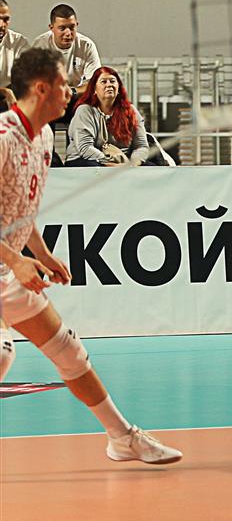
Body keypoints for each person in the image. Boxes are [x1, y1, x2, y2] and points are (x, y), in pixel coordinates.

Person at [0, 47, 181, 464]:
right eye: (64, 84)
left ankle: (123, 438)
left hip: (7, 269)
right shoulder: (4, 138)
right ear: (41, 88)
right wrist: (17, 261)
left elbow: (19, 208)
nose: (71, 91)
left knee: (69, 351)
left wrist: (42, 254)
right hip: (7, 265)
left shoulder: (44, 137)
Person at [64, 66, 158, 167]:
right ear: (94, 89)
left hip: (124, 161)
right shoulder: (85, 111)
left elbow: (141, 146)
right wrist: (113, 165)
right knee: (96, 168)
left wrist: (133, 164)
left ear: (118, 88)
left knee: (151, 168)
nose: (109, 85)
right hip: (86, 159)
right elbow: (85, 148)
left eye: (112, 81)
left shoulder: (131, 111)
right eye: (103, 82)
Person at [30, 3, 101, 102]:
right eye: (62, 28)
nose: (68, 33)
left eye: (72, 27)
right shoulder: (40, 45)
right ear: (51, 28)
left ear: (77, 25)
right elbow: (31, 82)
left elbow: (96, 83)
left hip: (75, 94)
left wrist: (72, 91)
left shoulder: (87, 45)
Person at [0, 0, 30, 109]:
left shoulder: (19, 42)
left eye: (6, 19)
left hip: (9, 99)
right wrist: (4, 91)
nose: (1, 25)